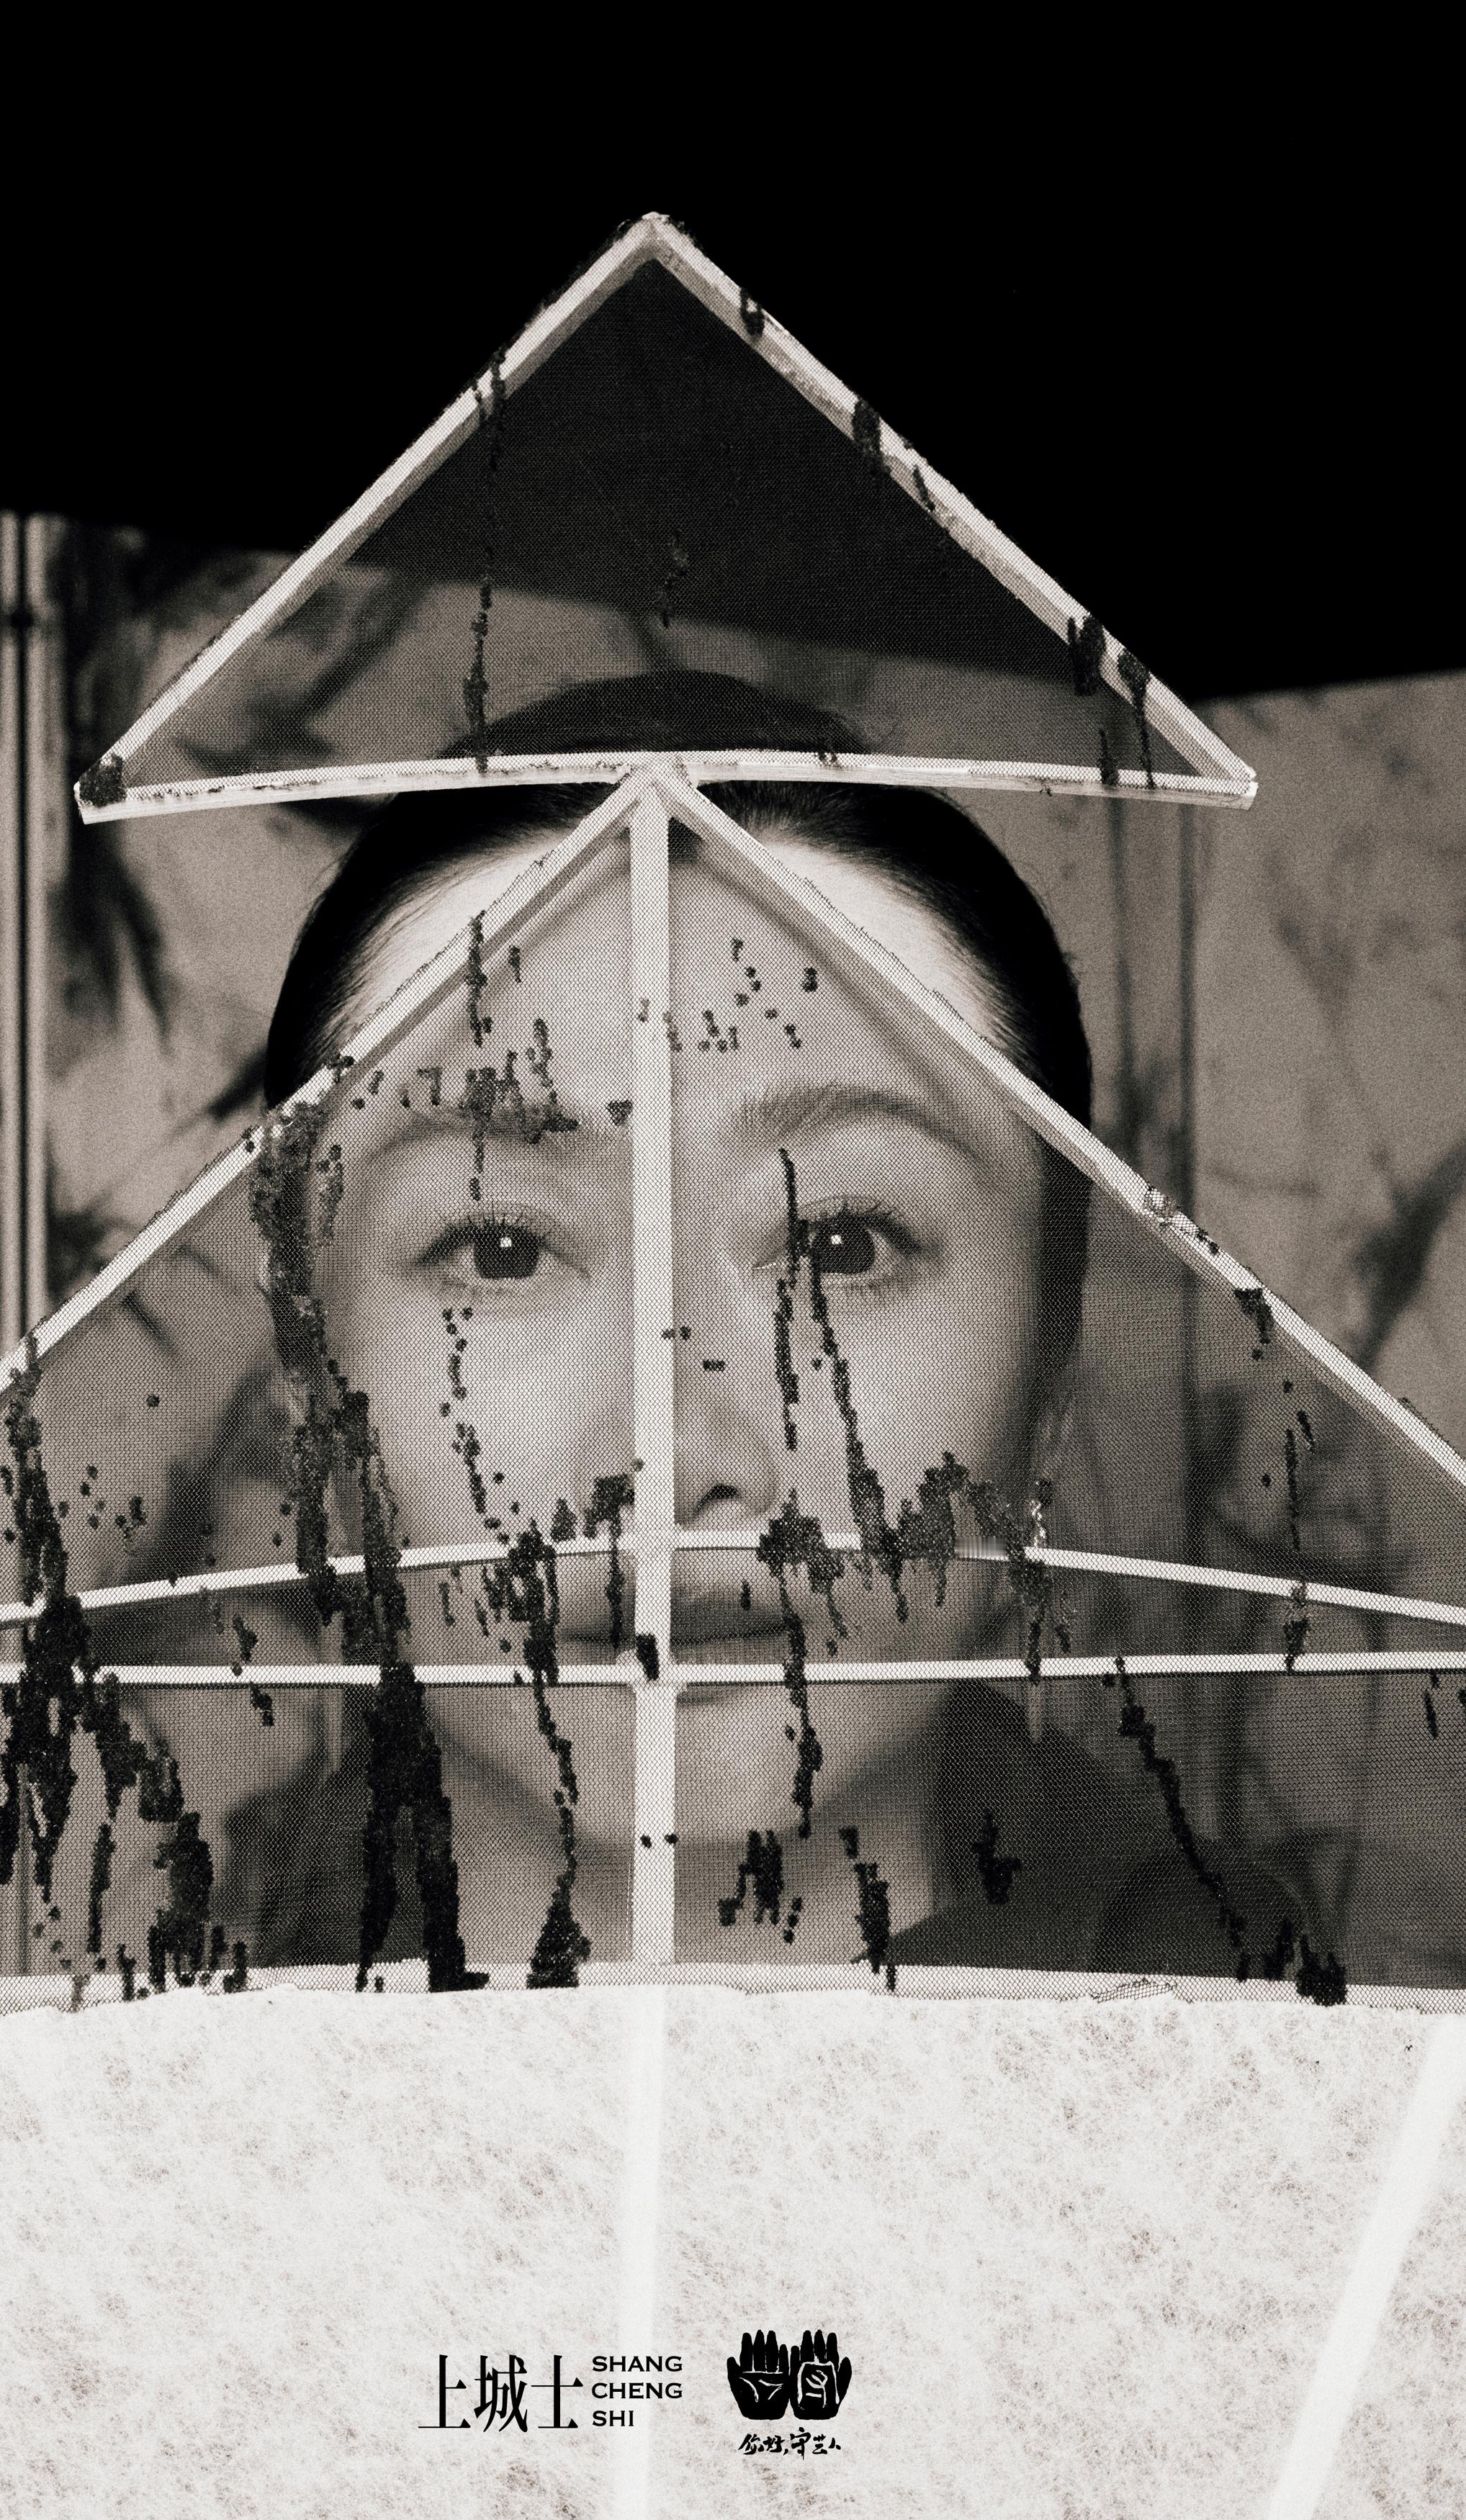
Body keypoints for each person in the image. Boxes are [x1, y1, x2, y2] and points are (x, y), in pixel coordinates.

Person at [237, 668, 1314, 1985]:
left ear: (1049, 1365)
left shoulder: (1340, 2077)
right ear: (309, 1376)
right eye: (500, 1248)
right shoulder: (118, 2075)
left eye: (839, 1246)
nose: (669, 1458)